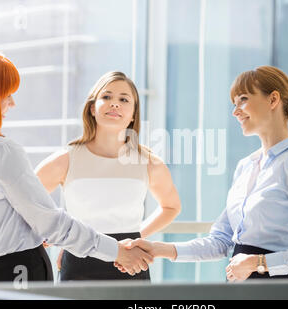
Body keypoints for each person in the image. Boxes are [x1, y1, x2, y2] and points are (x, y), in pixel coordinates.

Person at [0, 49, 153, 283]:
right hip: (19, 273)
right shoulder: (1, 152)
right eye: (6, 95)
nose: (12, 104)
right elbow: (51, 222)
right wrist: (116, 251)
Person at [118, 66, 288, 281]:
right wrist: (157, 248)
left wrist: (258, 263)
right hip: (240, 283)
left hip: (276, 288)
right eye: (234, 103)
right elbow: (221, 241)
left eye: (243, 99)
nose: (236, 111)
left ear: (273, 99)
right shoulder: (246, 166)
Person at [35, 71, 181, 281]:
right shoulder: (65, 159)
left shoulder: (149, 162)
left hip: (131, 262)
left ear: (133, 114)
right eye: (107, 97)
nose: (115, 104)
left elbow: (172, 206)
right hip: (79, 261)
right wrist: (58, 236)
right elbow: (27, 205)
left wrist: (137, 239)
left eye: (123, 99)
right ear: (93, 108)